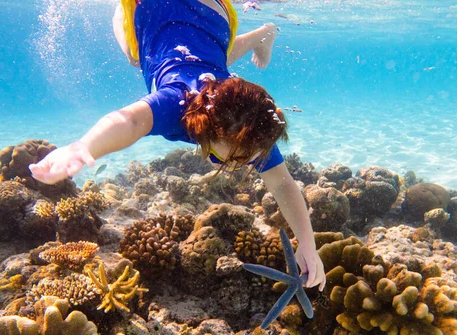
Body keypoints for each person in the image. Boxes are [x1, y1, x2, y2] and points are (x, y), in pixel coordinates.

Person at [29, 0, 326, 291]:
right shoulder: (176, 105)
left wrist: (309, 247)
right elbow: (130, 122)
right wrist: (84, 147)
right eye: (239, 157)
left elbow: (282, 184)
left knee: (212, 57)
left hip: (213, 18)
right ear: (215, 132)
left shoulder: (247, 129)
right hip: (166, 10)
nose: (245, 163)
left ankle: (263, 33)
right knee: (137, 57)